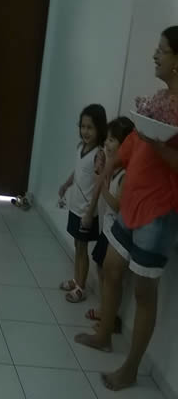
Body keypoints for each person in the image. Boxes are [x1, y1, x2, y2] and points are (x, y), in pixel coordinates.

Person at [75, 26, 178, 391]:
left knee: (144, 293)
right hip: (131, 204)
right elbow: (136, 144)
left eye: (162, 50)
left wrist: (157, 143)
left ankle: (131, 369)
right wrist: (112, 164)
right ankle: (104, 333)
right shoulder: (160, 98)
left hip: (158, 212)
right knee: (111, 266)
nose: (155, 55)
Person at [85, 116, 134, 328]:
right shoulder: (112, 168)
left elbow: (117, 205)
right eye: (107, 139)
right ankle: (105, 311)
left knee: (112, 278)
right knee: (101, 268)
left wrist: (103, 186)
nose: (107, 143)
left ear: (126, 146)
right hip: (106, 231)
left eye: (112, 140)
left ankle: (110, 318)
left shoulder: (124, 175)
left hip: (116, 236)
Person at [59, 104, 107, 302]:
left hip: (86, 211)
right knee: (77, 245)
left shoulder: (99, 154)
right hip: (75, 207)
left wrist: (90, 212)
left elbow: (98, 185)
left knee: (82, 248)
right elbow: (78, 171)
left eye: (90, 127)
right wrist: (66, 184)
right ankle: (76, 279)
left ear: (99, 129)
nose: (85, 131)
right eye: (83, 126)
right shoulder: (81, 148)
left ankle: (81, 287)